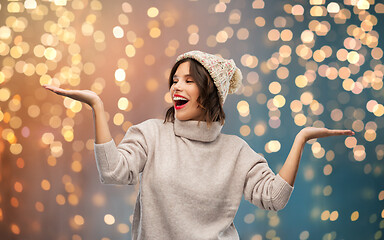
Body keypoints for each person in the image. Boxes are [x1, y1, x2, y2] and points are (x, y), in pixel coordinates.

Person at [43, 50, 354, 239]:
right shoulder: (151, 135)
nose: (177, 86)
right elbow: (113, 172)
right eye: (175, 80)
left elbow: (274, 199)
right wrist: (97, 106)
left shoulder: (236, 152)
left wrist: (300, 138)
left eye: (189, 80)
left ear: (210, 93)